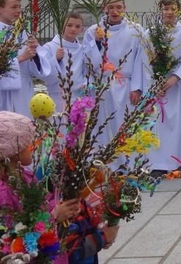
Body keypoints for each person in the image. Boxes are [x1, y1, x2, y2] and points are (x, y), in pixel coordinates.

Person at [0, 111, 114, 263]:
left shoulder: (23, 175)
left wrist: (66, 207)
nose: (34, 147)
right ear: (12, 152)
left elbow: (43, 202)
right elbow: (13, 235)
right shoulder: (4, 191)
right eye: (29, 144)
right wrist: (54, 216)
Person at [139, 0, 181, 177]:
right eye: (165, 9)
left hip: (176, 87)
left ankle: (176, 162)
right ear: (160, 11)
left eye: (173, 9)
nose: (169, 12)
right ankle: (156, 164)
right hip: (157, 88)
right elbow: (145, 61)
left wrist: (175, 78)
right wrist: (155, 83)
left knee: (177, 124)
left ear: (178, 11)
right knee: (157, 124)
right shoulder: (150, 34)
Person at [83, 0, 143, 143]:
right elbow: (86, 59)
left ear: (125, 7)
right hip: (102, 85)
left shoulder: (135, 30)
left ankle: (126, 164)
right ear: (104, 8)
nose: (115, 11)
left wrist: (137, 87)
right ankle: (102, 163)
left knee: (125, 126)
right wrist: (96, 42)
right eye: (111, 7)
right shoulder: (93, 31)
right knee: (102, 127)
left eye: (118, 7)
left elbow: (140, 60)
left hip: (126, 85)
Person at [0, 0, 50, 116]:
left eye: (19, 6)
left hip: (23, 89)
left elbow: (40, 64)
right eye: (13, 7)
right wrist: (21, 58)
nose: (18, 10)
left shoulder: (24, 32)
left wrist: (35, 53)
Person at [40, 12, 102, 113]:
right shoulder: (50, 47)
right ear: (62, 26)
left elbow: (88, 70)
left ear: (82, 30)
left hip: (77, 96)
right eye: (69, 25)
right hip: (57, 96)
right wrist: (56, 59)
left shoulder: (82, 49)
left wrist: (86, 83)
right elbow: (43, 72)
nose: (73, 29)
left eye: (77, 26)